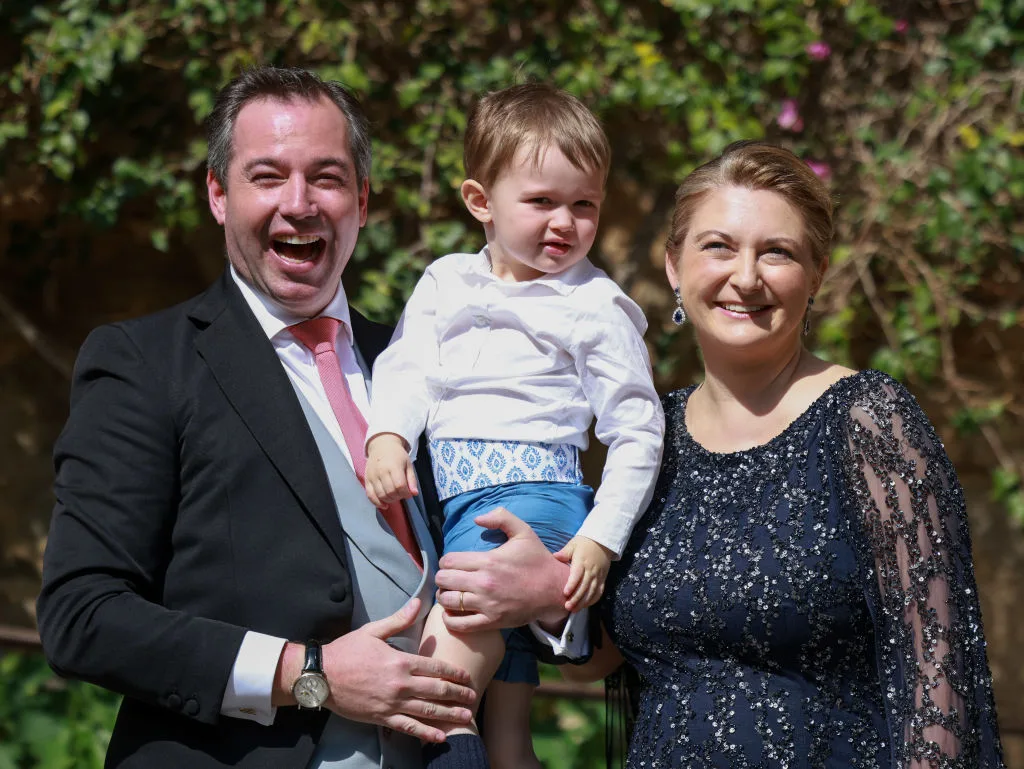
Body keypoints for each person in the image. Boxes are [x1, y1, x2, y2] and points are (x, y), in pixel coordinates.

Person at [35, 66, 580, 769]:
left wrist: (550, 596)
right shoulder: (143, 363)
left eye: (326, 178)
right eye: (267, 177)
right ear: (218, 195)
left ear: (362, 199)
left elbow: (564, 616)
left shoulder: (434, 359)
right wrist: (306, 673)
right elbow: (82, 615)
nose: (299, 204)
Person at [567, 140, 1005, 768]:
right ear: (673, 266)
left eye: (776, 252)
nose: (746, 277)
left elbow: (938, 678)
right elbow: (602, 657)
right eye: (718, 247)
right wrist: (540, 591)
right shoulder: (647, 438)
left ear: (817, 274)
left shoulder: (869, 422)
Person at [361, 83, 665, 768]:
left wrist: (600, 538)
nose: (565, 222)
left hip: (529, 503)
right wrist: (388, 435)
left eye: (584, 205)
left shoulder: (594, 305)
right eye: (542, 201)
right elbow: (407, 366)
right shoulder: (446, 281)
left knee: (436, 688)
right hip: (459, 503)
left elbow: (638, 430)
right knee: (506, 727)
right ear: (480, 201)